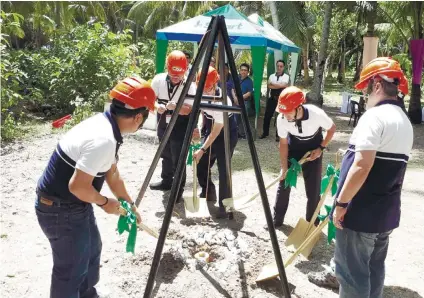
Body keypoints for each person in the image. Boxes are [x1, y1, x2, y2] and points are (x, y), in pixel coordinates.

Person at [35, 77, 156, 298]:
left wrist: (129, 204)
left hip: (74, 205)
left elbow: (112, 172)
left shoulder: (106, 125)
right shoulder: (104, 138)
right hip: (60, 209)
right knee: (70, 270)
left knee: (91, 251)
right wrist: (104, 202)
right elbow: (78, 186)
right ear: (138, 117)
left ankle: (88, 294)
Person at [331, 57, 413, 298]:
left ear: (377, 85)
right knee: (374, 270)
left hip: (359, 214)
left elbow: (363, 165)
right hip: (383, 215)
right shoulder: (404, 121)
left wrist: (341, 203)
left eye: (366, 89)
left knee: (352, 276)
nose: (365, 96)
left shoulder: (374, 117)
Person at [270, 86, 336, 228]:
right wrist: (284, 167)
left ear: (299, 107)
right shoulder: (282, 118)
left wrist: (321, 148)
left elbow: (332, 129)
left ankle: (311, 224)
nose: (284, 115)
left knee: (313, 190)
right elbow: (283, 143)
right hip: (294, 148)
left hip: (313, 150)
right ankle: (276, 219)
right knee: (284, 183)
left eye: (288, 112)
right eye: (282, 112)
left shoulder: (316, 114)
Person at [192, 66, 238, 218]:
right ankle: (208, 192)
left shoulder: (223, 101)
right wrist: (197, 127)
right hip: (210, 129)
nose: (206, 92)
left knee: (224, 171)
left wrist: (202, 149)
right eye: (203, 88)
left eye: (208, 88)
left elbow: (216, 131)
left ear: (215, 84)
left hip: (226, 134)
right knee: (202, 164)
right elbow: (199, 110)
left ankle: (226, 208)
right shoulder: (200, 92)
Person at [149, 50, 196, 200]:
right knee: (165, 153)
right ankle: (166, 181)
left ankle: (178, 190)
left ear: (185, 70)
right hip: (163, 120)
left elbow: (188, 110)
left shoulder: (190, 85)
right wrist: (157, 106)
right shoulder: (158, 80)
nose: (175, 77)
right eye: (172, 74)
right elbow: (149, 100)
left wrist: (176, 107)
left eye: (179, 74)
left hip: (180, 124)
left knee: (178, 157)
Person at [260, 60, 290, 141]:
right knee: (267, 116)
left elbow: (284, 85)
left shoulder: (286, 76)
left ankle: (278, 135)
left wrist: (274, 84)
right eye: (278, 66)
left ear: (283, 67)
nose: (279, 68)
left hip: (281, 100)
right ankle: (265, 133)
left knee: (280, 118)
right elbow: (269, 86)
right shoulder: (271, 76)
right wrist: (280, 85)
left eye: (281, 66)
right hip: (272, 98)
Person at [234, 63, 254, 139]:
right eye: (242, 70)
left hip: (245, 102)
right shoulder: (237, 78)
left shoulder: (249, 81)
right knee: (236, 118)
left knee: (244, 119)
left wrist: (240, 99)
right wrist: (235, 97)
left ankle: (245, 134)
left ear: (248, 72)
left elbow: (249, 93)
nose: (243, 72)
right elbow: (233, 88)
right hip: (236, 101)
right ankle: (238, 133)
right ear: (239, 70)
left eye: (245, 70)